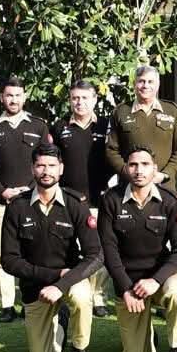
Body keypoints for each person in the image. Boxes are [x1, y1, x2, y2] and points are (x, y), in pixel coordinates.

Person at [0, 143, 102, 352]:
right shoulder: (17, 207)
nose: (46, 171)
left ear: (61, 169)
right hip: (35, 287)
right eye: (40, 165)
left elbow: (96, 255)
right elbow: (9, 261)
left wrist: (62, 282)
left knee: (81, 296)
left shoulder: (76, 204)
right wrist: (52, 275)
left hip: (69, 280)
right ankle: (61, 322)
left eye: (52, 166)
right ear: (32, 169)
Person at [100, 147, 177, 352]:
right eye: (133, 165)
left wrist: (156, 280)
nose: (138, 170)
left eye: (144, 164)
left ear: (155, 168)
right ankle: (148, 338)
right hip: (129, 283)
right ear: (126, 168)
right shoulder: (111, 200)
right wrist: (125, 288)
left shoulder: (170, 201)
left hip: (158, 277)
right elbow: (109, 251)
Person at [0, 75, 50, 322]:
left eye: (18, 95)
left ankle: (32, 300)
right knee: (2, 253)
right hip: (2, 201)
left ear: (24, 97)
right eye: (9, 95)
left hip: (33, 200)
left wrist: (29, 191)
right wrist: (2, 190)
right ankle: (7, 304)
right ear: (1, 97)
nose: (13, 100)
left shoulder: (38, 126)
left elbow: (44, 162)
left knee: (34, 251)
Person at [51, 80, 113, 317]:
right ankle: (72, 291)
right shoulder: (59, 127)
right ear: (70, 100)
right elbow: (53, 161)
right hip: (69, 201)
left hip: (101, 199)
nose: (80, 102)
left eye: (85, 98)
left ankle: (98, 297)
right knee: (70, 250)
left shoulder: (107, 126)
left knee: (100, 250)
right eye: (75, 98)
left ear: (95, 99)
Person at [104, 65, 177, 192]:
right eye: (141, 81)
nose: (145, 85)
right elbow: (111, 149)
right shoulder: (121, 112)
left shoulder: (172, 110)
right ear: (134, 84)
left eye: (150, 82)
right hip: (130, 187)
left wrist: (166, 174)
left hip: (163, 186)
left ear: (158, 85)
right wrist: (128, 172)